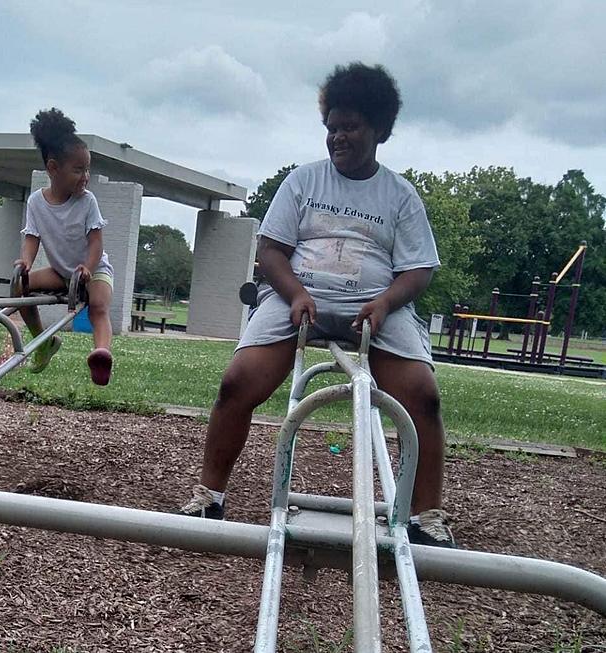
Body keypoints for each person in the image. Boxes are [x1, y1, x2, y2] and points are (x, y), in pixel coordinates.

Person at [179, 63, 456, 548]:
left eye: (349, 127)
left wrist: (386, 302)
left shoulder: (400, 195)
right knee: (236, 382)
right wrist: (295, 294)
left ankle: (427, 516)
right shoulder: (302, 182)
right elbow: (270, 251)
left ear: (379, 129)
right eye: (331, 127)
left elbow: (418, 269)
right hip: (298, 298)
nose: (337, 137)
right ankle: (209, 495)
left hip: (373, 307)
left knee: (424, 397)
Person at [14, 107, 115, 386]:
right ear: (53, 168)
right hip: (61, 273)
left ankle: (102, 353)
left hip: (94, 271)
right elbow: (32, 238)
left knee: (97, 306)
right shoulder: (36, 202)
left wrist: (88, 267)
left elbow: (96, 242)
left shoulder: (87, 201)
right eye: (78, 170)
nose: (85, 176)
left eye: (88, 169)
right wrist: (25, 262)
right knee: (19, 287)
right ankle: (43, 341)